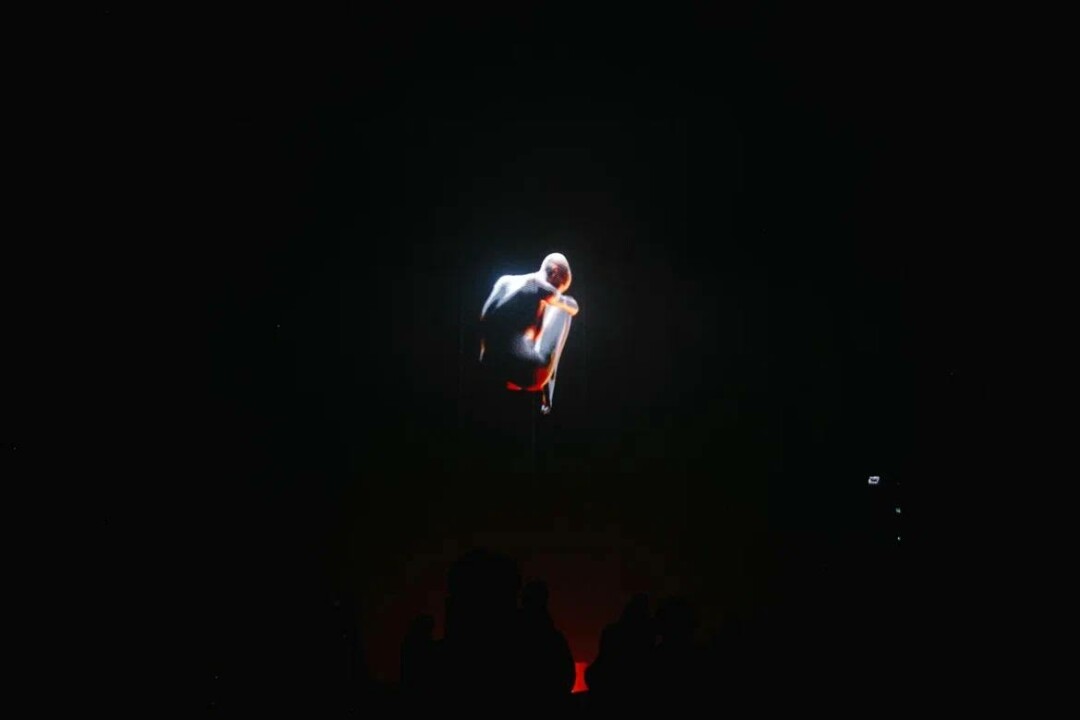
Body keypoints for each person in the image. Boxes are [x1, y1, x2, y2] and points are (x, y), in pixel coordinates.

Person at [478, 253, 579, 414]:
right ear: (554, 272)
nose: (557, 291)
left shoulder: (505, 281)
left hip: (490, 365)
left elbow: (485, 321)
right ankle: (547, 392)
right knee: (564, 310)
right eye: (559, 287)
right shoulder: (540, 286)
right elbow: (574, 308)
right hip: (524, 373)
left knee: (549, 307)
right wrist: (560, 300)